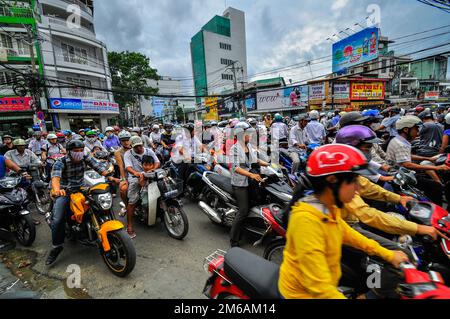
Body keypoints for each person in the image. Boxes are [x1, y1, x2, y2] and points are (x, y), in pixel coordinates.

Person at [278, 144, 409, 299]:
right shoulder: (306, 220)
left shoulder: (328, 207)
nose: (357, 188)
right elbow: (319, 287)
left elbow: (349, 234)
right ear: (332, 180)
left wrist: (388, 254)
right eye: (353, 181)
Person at [45, 140, 116, 265]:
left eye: (80, 151)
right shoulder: (60, 162)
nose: (79, 153)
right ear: (68, 152)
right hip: (65, 190)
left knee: (98, 204)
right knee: (58, 219)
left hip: (82, 187)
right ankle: (57, 246)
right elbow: (56, 177)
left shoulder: (85, 157)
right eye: (75, 151)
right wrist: (56, 190)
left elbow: (98, 166)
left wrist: (109, 176)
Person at [386, 116, 450, 206]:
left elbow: (407, 156)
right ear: (406, 129)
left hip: (404, 173)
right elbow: (407, 164)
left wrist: (428, 159)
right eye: (416, 129)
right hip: (401, 176)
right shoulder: (401, 144)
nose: (418, 132)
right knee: (436, 187)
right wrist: (436, 167)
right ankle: (435, 211)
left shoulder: (398, 140)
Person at [228, 122, 269, 247]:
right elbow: (235, 167)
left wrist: (269, 165)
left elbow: (255, 160)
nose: (250, 135)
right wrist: (251, 175)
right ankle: (234, 240)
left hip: (251, 180)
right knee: (243, 210)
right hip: (240, 182)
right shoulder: (234, 149)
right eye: (247, 134)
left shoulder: (249, 146)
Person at [123, 136, 160, 239]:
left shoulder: (149, 151)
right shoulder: (128, 154)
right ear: (132, 146)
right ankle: (129, 226)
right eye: (136, 147)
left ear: (142, 143)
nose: (139, 148)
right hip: (135, 177)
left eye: (140, 145)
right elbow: (128, 167)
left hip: (151, 174)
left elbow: (157, 162)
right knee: (132, 201)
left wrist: (152, 170)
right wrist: (137, 173)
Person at [115, 131, 132, 215]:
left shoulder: (136, 148)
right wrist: (123, 179)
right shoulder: (118, 152)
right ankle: (126, 205)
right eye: (123, 140)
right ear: (120, 141)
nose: (126, 142)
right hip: (127, 175)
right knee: (123, 189)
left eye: (127, 140)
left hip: (139, 172)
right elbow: (121, 167)